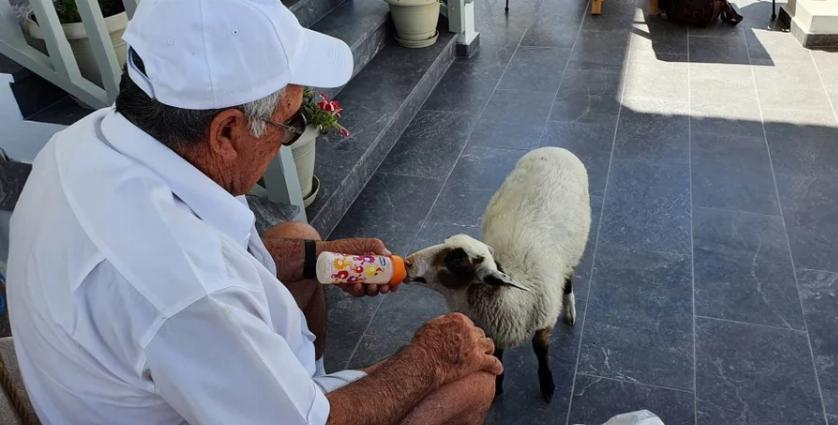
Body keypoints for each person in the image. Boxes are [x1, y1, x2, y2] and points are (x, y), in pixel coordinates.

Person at [5, 0, 502, 424]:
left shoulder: (85, 141)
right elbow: (197, 290)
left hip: (121, 385)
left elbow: (215, 261)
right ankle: (312, 388)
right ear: (226, 132)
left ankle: (302, 378)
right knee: (471, 383)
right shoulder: (186, 289)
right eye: (289, 124)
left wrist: (318, 258)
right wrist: (430, 359)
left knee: (301, 237)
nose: (288, 139)